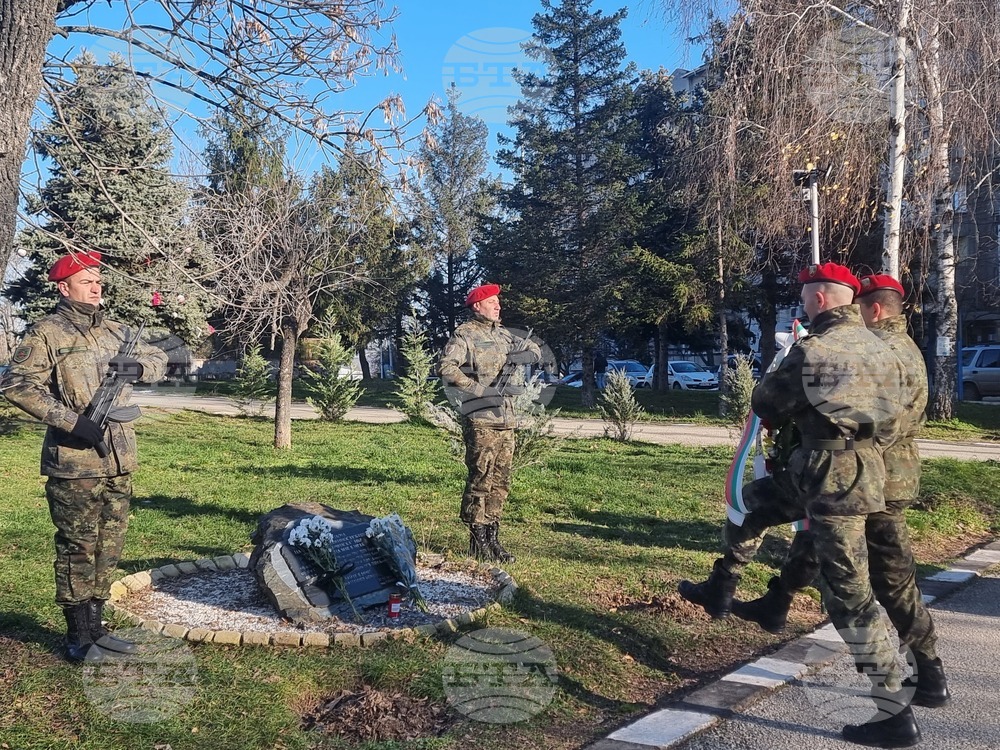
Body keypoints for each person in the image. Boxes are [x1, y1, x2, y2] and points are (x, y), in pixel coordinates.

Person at [724, 273, 950, 711]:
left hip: (868, 478)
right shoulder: (905, 350)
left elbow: (886, 424)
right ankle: (778, 602)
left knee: (869, 580)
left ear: (875, 309)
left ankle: (905, 688)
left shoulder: (879, 350)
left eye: (860, 307)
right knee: (826, 551)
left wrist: (846, 452)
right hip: (880, 476)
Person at [3, 251, 167, 662]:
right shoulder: (47, 333)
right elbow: (17, 385)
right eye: (86, 281)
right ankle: (77, 636)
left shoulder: (116, 331)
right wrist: (71, 422)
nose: (96, 287)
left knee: (109, 545)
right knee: (78, 545)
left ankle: (98, 628)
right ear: (64, 287)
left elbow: (161, 358)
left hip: (118, 457)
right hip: (75, 461)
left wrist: (136, 369)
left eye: (98, 281)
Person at [438, 283, 540, 564]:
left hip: (506, 420)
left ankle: (493, 537)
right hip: (481, 417)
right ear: (477, 306)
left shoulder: (504, 334)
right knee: (481, 478)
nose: (498, 306)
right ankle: (477, 539)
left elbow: (534, 348)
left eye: (498, 302)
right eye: (492, 302)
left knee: (501, 481)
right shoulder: (465, 335)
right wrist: (481, 390)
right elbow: (446, 368)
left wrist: (527, 355)